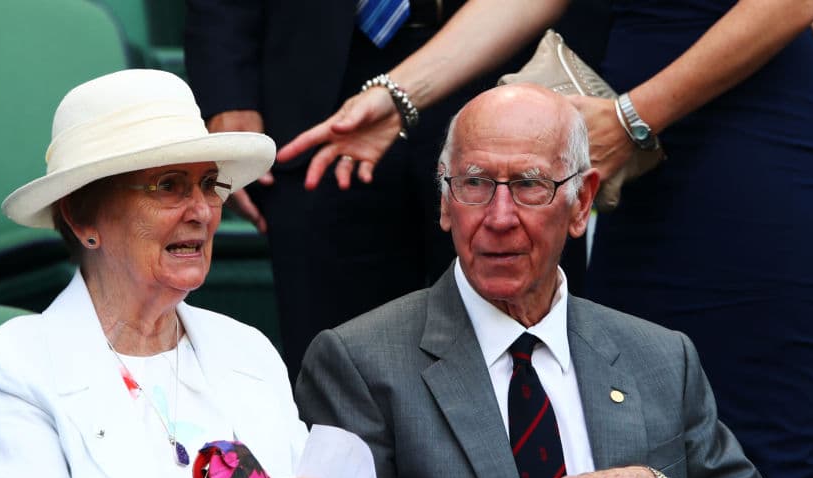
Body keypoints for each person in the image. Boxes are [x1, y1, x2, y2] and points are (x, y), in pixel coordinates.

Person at [280, 0, 813, 478]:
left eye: (525, 187)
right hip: (625, 167)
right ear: (445, 198)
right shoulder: (361, 359)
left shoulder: (661, 354)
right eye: (475, 184)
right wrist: (400, 94)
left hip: (727, 155)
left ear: (577, 203)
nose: (499, 218)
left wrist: (630, 118)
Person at [0, 69, 403, 478]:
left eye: (208, 184)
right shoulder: (13, 366)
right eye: (168, 186)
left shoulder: (246, 349)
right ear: (84, 215)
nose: (203, 211)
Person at [182, 0, 583, 379]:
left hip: (500, 71)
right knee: (335, 375)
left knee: (521, 354)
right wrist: (227, 93)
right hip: (312, 92)